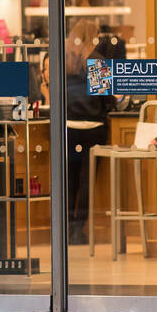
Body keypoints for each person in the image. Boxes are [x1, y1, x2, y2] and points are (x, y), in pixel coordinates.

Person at [64, 20, 125, 244]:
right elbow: (106, 97)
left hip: (69, 128)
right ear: (93, 36)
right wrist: (118, 99)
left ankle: (66, 229)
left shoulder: (65, 60)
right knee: (86, 183)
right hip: (93, 129)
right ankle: (78, 230)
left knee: (69, 182)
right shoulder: (96, 61)